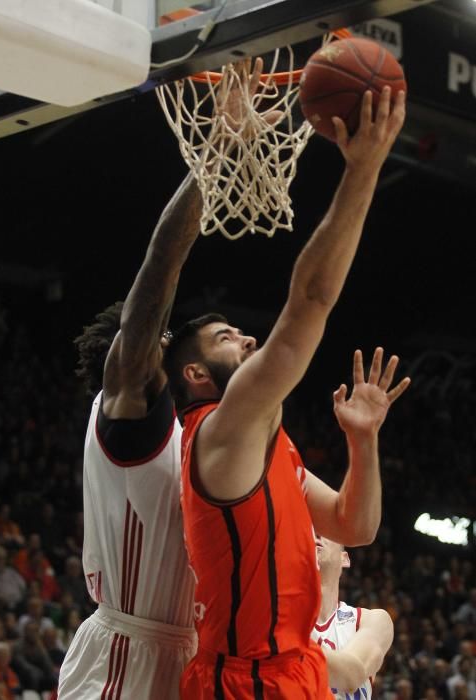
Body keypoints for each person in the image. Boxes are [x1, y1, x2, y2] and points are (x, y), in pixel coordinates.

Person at [163, 85, 408, 698]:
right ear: (196, 375)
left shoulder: (268, 444)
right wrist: (362, 169)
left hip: (292, 667)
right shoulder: (222, 430)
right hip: (244, 680)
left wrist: (363, 441)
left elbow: (356, 527)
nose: (245, 338)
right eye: (225, 337)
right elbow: (311, 304)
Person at [58, 59, 268, 699]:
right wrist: (215, 153)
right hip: (125, 656)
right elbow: (155, 278)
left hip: (188, 661)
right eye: (227, 336)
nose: (249, 339)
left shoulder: (208, 440)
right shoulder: (132, 421)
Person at [312, 536, 393, 698]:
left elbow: (352, 675)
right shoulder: (275, 618)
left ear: (345, 559)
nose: (317, 534)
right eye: (311, 530)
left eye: (328, 531)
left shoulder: (371, 620)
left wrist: (286, 647)